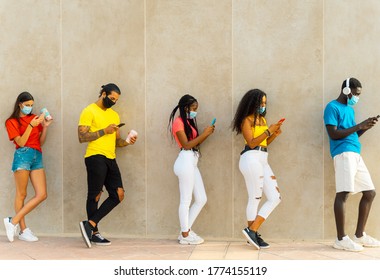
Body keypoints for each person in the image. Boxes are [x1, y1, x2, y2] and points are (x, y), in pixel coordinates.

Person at [324, 77, 380, 251]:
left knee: (370, 192)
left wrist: (364, 127)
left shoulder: (349, 110)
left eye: (359, 95)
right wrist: (359, 126)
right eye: (355, 93)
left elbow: (350, 134)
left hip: (355, 153)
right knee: (343, 194)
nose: (357, 97)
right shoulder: (331, 107)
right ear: (347, 91)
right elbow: (334, 134)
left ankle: (359, 235)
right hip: (343, 154)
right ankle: (341, 239)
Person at [78, 83, 137, 248]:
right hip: (95, 156)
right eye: (111, 98)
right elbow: (81, 137)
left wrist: (126, 141)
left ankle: (89, 224)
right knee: (95, 195)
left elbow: (116, 141)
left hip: (111, 158)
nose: (114, 102)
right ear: (103, 94)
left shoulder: (114, 115)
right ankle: (94, 234)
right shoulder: (89, 110)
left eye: (116, 100)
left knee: (118, 195)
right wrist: (104, 130)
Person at [232, 89, 282, 250]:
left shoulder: (262, 120)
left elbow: (264, 143)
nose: (263, 106)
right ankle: (251, 233)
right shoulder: (246, 120)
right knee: (255, 197)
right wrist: (269, 131)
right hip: (250, 159)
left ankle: (252, 230)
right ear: (252, 103)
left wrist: (274, 134)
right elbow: (252, 143)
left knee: (275, 197)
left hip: (262, 159)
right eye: (260, 103)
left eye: (265, 103)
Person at [4, 91, 52, 242]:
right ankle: (23, 230)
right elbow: (21, 142)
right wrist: (31, 125)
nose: (30, 108)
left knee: (42, 194)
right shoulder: (11, 122)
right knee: (21, 194)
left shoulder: (35, 118)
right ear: (20, 104)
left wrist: (45, 127)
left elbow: (40, 142)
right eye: (27, 105)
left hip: (37, 155)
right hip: (22, 155)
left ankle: (13, 221)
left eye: (31, 105)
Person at [168, 94, 215, 245]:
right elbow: (186, 144)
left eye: (196, 109)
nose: (195, 112)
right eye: (193, 108)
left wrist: (206, 134)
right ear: (185, 107)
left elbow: (194, 143)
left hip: (192, 161)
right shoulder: (178, 122)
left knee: (201, 198)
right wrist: (205, 134)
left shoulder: (189, 122)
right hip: (185, 161)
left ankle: (186, 230)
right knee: (186, 200)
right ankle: (185, 234)